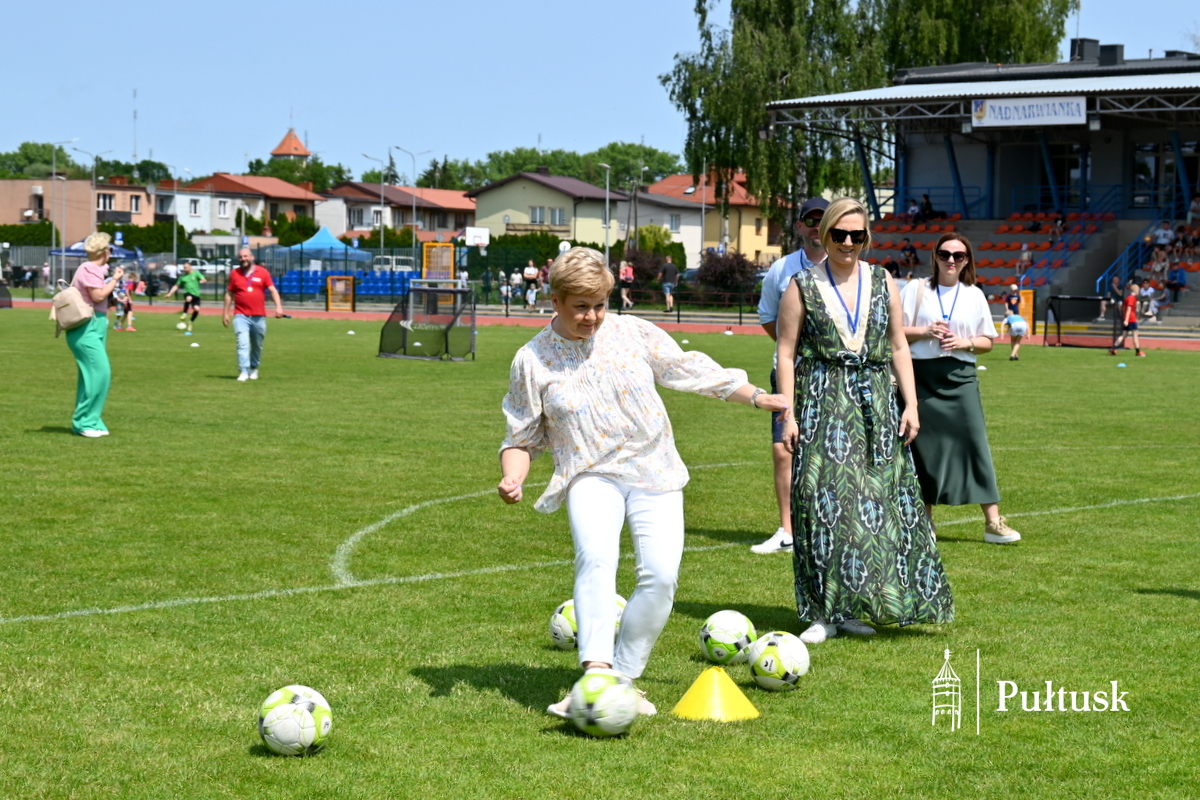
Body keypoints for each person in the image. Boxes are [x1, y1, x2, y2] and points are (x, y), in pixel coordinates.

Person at [497, 246, 788, 716]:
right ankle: (595, 672)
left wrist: (755, 396)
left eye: (600, 305)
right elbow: (521, 436)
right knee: (595, 557)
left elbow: (688, 370)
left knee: (661, 577)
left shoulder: (632, 331)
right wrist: (513, 477)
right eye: (581, 307)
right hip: (589, 473)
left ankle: (624, 678)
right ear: (555, 301)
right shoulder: (532, 360)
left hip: (655, 470)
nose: (593, 317)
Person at [774, 197, 951, 643]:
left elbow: (897, 346)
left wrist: (910, 404)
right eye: (840, 234)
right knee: (821, 503)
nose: (849, 243)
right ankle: (821, 611)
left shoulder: (882, 279)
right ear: (825, 233)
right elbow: (786, 352)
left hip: (875, 401)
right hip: (819, 399)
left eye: (858, 235)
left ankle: (854, 607)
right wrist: (788, 412)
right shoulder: (800, 284)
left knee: (873, 505)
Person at [900, 232, 1021, 546]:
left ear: (967, 260)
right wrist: (926, 331)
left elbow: (987, 342)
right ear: (935, 256)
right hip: (920, 377)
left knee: (975, 442)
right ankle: (923, 522)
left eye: (958, 255)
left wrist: (964, 342)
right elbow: (894, 332)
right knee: (921, 449)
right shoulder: (915, 288)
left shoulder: (974, 294)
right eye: (944, 254)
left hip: (960, 376)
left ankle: (993, 522)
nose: (951, 260)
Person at [752, 197, 827, 554]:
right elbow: (767, 315)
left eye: (823, 221)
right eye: (810, 221)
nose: (816, 227)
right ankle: (788, 532)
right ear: (799, 226)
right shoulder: (781, 269)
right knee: (784, 449)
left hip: (833, 376)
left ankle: (833, 530)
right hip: (790, 373)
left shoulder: (850, 267)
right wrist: (789, 348)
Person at [66, 232, 124, 437]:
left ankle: (91, 420)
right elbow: (97, 295)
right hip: (86, 327)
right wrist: (115, 280)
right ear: (105, 252)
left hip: (95, 325)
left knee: (90, 377)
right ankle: (84, 422)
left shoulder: (95, 269)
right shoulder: (90, 268)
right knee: (101, 373)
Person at [223, 248, 284, 381]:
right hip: (241, 315)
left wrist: (278, 307)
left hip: (259, 315)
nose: (243, 259)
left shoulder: (262, 272)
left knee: (257, 345)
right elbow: (229, 294)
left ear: (252, 257)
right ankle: (244, 371)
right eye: (240, 257)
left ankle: (254, 368)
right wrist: (225, 313)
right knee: (242, 344)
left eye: (245, 256)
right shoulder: (234, 274)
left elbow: (272, 290)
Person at [164, 263, 207, 334]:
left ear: (190, 267)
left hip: (196, 295)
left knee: (197, 309)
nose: (185, 269)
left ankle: (190, 323)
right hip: (188, 293)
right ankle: (184, 314)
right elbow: (176, 286)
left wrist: (202, 281)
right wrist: (170, 293)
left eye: (186, 267)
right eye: (184, 268)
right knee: (188, 298)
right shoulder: (182, 277)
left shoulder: (196, 274)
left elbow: (204, 279)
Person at [1110, 282, 1146, 357]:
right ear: (1136, 291)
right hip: (1131, 319)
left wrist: (1125, 319)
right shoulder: (1131, 298)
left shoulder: (1127, 298)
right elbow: (1129, 309)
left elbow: (1124, 309)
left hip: (1128, 319)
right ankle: (1138, 352)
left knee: (1124, 335)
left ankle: (1113, 348)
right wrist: (1126, 320)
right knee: (1135, 335)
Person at [1002, 284, 1027, 361]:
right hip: (1011, 312)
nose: (1014, 291)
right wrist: (1007, 309)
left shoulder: (1018, 296)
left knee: (1014, 338)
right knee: (1011, 324)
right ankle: (1015, 355)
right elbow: (1006, 303)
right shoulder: (1009, 296)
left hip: (1016, 312)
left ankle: (1015, 354)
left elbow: (1020, 302)